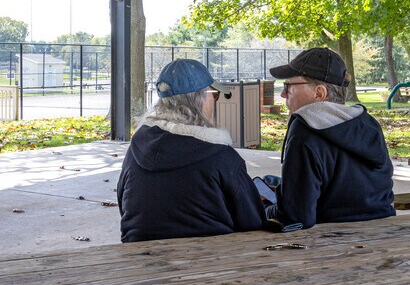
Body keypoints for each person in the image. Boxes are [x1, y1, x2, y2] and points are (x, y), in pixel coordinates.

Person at [117, 58, 266, 242]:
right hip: (209, 263)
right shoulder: (221, 156)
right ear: (200, 100)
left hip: (138, 257)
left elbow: (123, 203)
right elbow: (253, 220)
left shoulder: (137, 147)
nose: (215, 101)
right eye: (214, 95)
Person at [264, 47, 395, 228]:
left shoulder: (305, 131)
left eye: (288, 86)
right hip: (385, 231)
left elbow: (297, 217)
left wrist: (265, 208)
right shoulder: (367, 123)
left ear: (319, 93)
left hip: (333, 243)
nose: (283, 94)